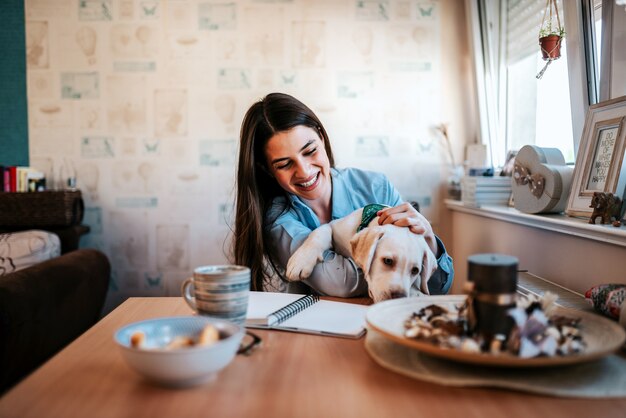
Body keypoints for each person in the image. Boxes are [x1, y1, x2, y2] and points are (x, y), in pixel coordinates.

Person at [233, 92, 453, 296]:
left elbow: (436, 288)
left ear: (321, 137)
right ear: (267, 170)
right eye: (284, 164)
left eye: (310, 151)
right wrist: (405, 266)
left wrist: (428, 244)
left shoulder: (376, 187)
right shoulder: (278, 219)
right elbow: (342, 282)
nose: (304, 171)